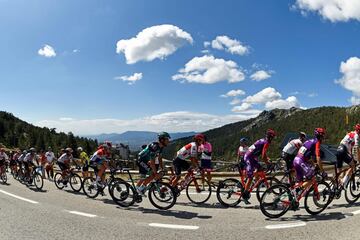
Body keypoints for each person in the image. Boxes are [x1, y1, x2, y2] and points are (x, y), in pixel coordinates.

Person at [242, 129, 276, 204]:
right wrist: (268, 163)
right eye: (273, 138)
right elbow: (263, 156)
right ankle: (245, 194)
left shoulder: (263, 140)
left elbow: (264, 154)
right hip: (249, 157)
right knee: (250, 177)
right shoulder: (266, 142)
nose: (273, 140)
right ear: (270, 137)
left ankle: (252, 181)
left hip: (252, 157)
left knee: (260, 169)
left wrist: (268, 159)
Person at [336, 124, 360, 189]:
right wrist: (359, 160)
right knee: (353, 165)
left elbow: (350, 148)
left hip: (338, 149)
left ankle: (335, 187)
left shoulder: (351, 133)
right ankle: (343, 182)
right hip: (343, 150)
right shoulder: (356, 135)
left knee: (339, 171)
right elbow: (357, 148)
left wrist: (351, 156)